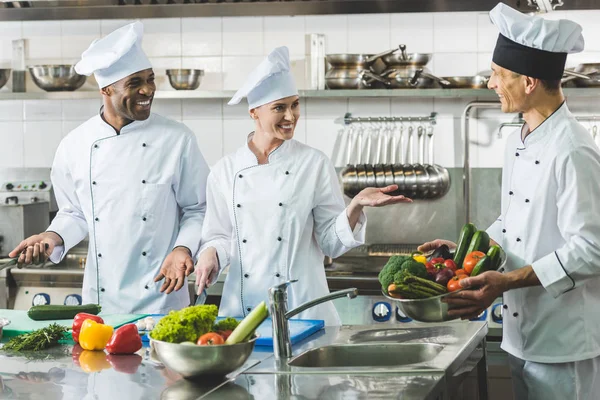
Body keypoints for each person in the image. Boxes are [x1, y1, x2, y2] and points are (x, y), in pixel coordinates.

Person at [419, 4, 600, 399]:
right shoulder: (520, 138)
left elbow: (592, 250)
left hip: (562, 343)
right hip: (521, 338)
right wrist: (470, 249)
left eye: (499, 75)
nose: (490, 83)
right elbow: (515, 220)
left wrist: (508, 281)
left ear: (530, 81)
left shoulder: (573, 150)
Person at [194, 47, 411, 325]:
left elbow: (330, 244)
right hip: (241, 315)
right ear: (254, 113)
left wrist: (355, 205)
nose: (290, 116)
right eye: (279, 107)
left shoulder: (313, 163)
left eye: (295, 105)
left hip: (302, 311)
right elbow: (219, 237)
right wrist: (210, 253)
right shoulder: (225, 170)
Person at [8, 22, 209, 314]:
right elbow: (75, 213)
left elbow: (198, 209)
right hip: (101, 303)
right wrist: (52, 237)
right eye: (134, 83)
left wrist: (183, 248)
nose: (147, 90)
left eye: (150, 79)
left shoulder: (177, 139)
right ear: (106, 89)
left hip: (162, 298)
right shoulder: (74, 145)